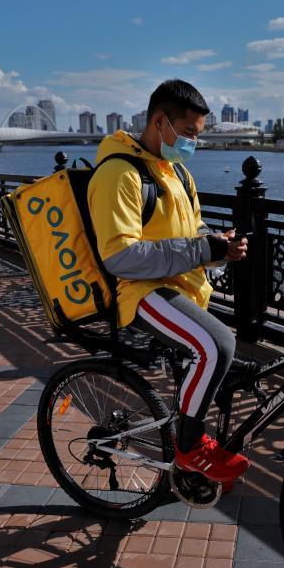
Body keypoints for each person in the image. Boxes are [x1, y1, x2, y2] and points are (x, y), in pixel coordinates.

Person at [88, 79, 250, 483]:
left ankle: (191, 473)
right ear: (160, 122)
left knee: (222, 366)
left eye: (198, 134)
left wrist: (219, 246)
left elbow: (192, 231)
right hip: (140, 291)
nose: (194, 142)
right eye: (189, 132)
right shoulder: (119, 174)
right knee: (217, 345)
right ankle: (191, 449)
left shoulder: (177, 172)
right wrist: (202, 249)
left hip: (181, 288)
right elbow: (120, 257)